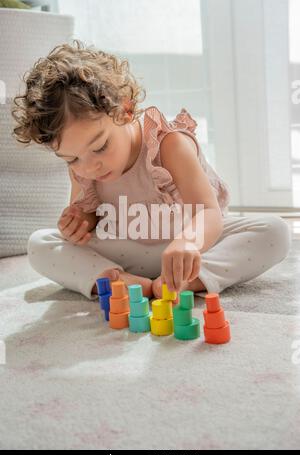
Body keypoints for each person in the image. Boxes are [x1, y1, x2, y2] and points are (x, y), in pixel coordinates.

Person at [12, 40, 291, 301]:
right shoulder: (83, 167)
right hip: (126, 251)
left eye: (100, 147)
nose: (89, 166)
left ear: (126, 110)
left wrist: (188, 244)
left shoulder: (168, 144)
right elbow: (89, 215)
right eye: (71, 159)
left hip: (189, 248)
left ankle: (189, 279)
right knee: (40, 244)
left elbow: (207, 211)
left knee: (274, 231)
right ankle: (122, 281)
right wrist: (79, 223)